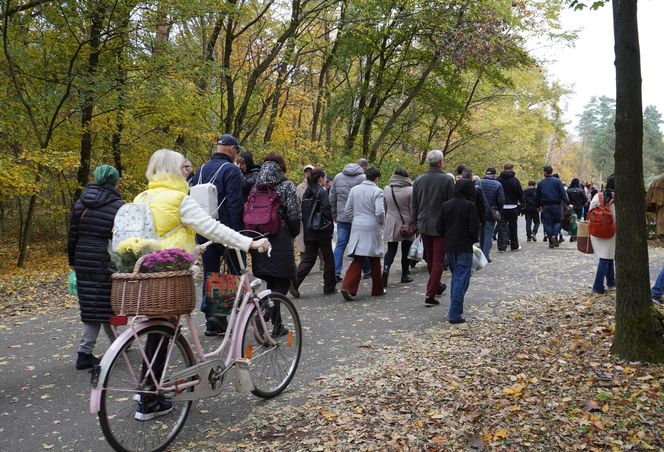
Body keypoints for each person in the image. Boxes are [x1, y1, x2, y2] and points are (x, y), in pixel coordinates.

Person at [134, 149, 269, 420]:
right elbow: (213, 227)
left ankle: (146, 388)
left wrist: (191, 251)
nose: (189, 172)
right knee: (166, 328)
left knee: (158, 330)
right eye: (184, 167)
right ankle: (149, 400)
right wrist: (249, 243)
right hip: (172, 274)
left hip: (144, 273)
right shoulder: (178, 199)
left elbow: (155, 236)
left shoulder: (142, 197)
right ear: (173, 169)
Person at [67, 165, 124, 370]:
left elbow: (72, 236)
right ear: (114, 181)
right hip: (104, 257)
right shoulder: (117, 205)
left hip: (83, 258)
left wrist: (73, 261)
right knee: (109, 304)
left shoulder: (80, 203)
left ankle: (103, 348)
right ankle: (111, 346)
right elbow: (120, 238)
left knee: (93, 305)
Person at [190, 133, 245, 336]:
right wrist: (235, 234)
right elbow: (234, 203)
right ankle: (220, 318)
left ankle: (211, 323)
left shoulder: (201, 170)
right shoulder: (231, 170)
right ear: (231, 149)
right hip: (224, 229)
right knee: (230, 275)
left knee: (211, 273)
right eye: (236, 151)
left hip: (203, 229)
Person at [250, 153, 301, 305]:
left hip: (259, 238)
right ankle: (267, 309)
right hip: (280, 238)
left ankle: (277, 325)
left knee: (271, 282)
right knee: (283, 281)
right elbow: (293, 214)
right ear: (282, 166)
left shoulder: (255, 186)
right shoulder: (287, 185)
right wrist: (293, 232)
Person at [411, 150, 455, 307]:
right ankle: (430, 294)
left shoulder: (418, 180)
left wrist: (415, 222)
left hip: (423, 224)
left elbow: (414, 204)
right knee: (437, 259)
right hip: (441, 225)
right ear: (440, 162)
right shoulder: (447, 180)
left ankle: (437, 286)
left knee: (430, 258)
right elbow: (451, 205)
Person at [437, 178, 480, 323]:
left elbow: (439, 227)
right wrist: (473, 239)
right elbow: (474, 228)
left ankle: (455, 306)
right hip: (464, 246)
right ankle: (455, 312)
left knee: (457, 276)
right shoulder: (470, 206)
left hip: (450, 246)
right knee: (461, 278)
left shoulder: (445, 205)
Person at [340, 167, 386, 301]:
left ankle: (347, 287)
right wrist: (381, 223)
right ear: (377, 178)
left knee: (359, 257)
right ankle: (377, 289)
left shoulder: (354, 190)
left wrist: (356, 219)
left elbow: (347, 210)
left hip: (357, 225)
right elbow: (380, 212)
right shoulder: (377, 191)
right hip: (372, 226)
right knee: (375, 258)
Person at [290, 168, 336, 297]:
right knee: (328, 259)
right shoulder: (322, 192)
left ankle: (294, 282)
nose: (326, 180)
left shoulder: (307, 193)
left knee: (308, 259)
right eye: (325, 177)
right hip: (322, 231)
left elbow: (303, 212)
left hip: (309, 231)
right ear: (320, 178)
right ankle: (329, 286)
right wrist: (330, 228)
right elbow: (326, 210)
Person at [330, 160, 366, 281]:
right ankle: (367, 270)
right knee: (361, 244)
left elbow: (332, 197)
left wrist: (334, 213)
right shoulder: (363, 178)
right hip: (359, 217)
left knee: (340, 244)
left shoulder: (338, 177)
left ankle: (335, 272)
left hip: (342, 216)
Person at [382, 167, 415, 287]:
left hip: (391, 222)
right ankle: (404, 275)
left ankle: (385, 270)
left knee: (391, 249)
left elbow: (384, 207)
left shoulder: (386, 189)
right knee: (406, 250)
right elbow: (413, 209)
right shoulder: (411, 190)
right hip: (407, 224)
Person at [590, 175, 616, 294]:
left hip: (596, 229)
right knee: (605, 257)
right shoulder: (617, 198)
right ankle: (597, 286)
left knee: (606, 254)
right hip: (611, 230)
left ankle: (611, 282)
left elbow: (590, 211)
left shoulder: (598, 196)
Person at [535, 166, 571, 248]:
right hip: (556, 205)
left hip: (546, 206)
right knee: (557, 222)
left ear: (545, 172)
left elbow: (537, 196)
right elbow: (563, 193)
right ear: (551, 171)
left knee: (547, 224)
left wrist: (538, 205)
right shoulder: (558, 182)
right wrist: (567, 203)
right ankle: (555, 235)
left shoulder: (541, 183)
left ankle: (551, 241)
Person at [496, 163, 524, 252]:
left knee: (501, 227)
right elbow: (520, 193)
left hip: (501, 207)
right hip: (513, 206)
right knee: (513, 226)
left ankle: (501, 247)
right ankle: (514, 246)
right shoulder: (515, 180)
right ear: (512, 169)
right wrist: (523, 204)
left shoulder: (498, 180)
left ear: (503, 169)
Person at [478, 167, 504, 262]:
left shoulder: (479, 182)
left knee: (481, 234)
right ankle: (485, 256)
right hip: (491, 212)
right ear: (494, 174)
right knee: (488, 234)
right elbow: (501, 200)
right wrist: (499, 210)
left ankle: (481, 254)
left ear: (486, 173)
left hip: (480, 213)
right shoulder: (498, 184)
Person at [295, 164, 315, 258]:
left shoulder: (317, 186)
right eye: (306, 171)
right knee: (302, 242)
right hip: (303, 217)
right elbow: (296, 202)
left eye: (310, 171)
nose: (308, 173)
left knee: (316, 241)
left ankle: (321, 257)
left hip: (315, 218)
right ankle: (303, 260)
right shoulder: (299, 187)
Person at [646, 173, 664, 239]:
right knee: (661, 212)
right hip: (659, 192)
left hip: (658, 191)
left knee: (660, 212)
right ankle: (661, 233)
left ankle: (661, 233)